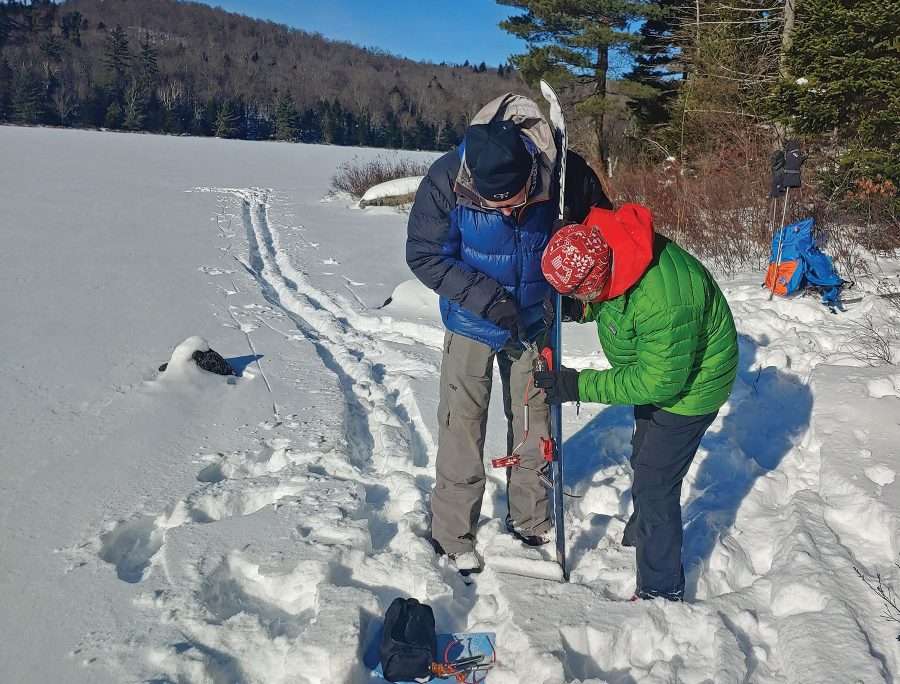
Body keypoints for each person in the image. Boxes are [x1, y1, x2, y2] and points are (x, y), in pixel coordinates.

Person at [406, 93, 610, 574]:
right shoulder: (446, 179)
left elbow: (598, 231)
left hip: (536, 320)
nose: (504, 209)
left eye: (513, 199)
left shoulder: (562, 172)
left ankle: (531, 518)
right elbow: (425, 255)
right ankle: (452, 531)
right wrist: (485, 298)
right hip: (472, 322)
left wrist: (571, 287)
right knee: (462, 424)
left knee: (534, 420)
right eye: (491, 203)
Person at [535, 203, 739, 600]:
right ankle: (646, 526)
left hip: (692, 387)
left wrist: (577, 385)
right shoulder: (609, 249)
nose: (574, 298)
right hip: (665, 370)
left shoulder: (663, 302)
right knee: (643, 452)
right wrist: (580, 308)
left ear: (595, 280)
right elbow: (611, 297)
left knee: (656, 483)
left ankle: (661, 588)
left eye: (577, 293)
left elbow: (655, 382)